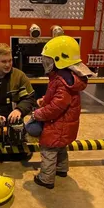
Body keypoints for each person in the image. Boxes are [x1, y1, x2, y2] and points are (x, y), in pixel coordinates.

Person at [31, 36, 93, 189]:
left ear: (58, 60)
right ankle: (61, 169)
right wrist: (45, 99)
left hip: (57, 125)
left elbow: (55, 108)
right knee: (60, 148)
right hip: (65, 125)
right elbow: (58, 99)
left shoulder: (61, 81)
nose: (46, 63)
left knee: (48, 151)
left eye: (48, 60)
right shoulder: (67, 78)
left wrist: (38, 113)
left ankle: (46, 179)